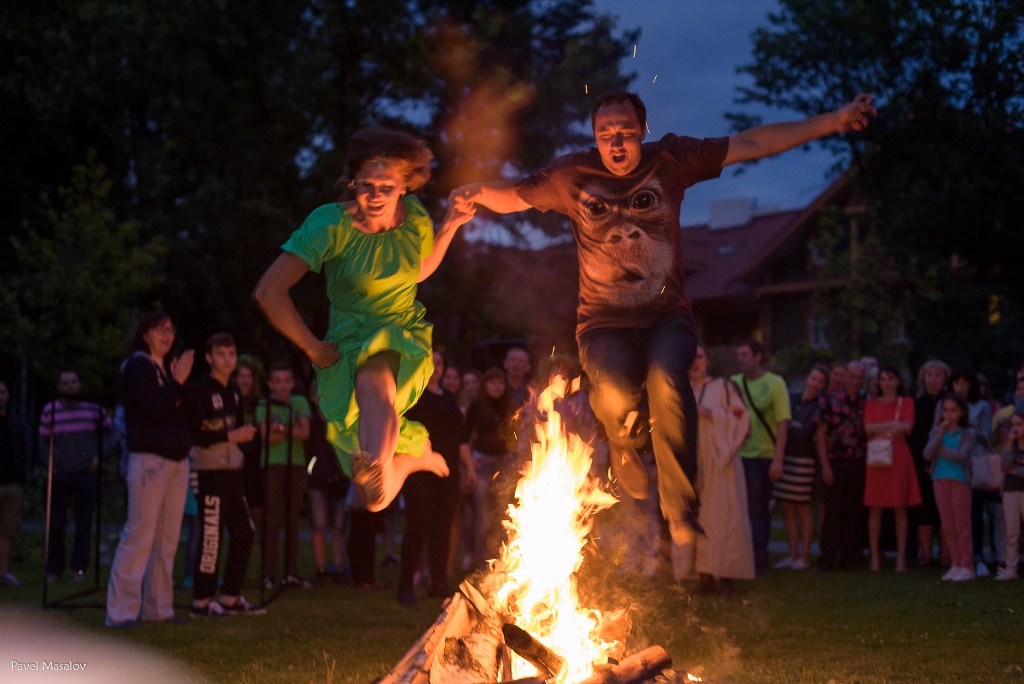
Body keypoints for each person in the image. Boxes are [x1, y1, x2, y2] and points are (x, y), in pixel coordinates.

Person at [454, 89, 876, 544]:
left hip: (666, 318)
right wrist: (475, 193)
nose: (616, 144)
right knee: (614, 387)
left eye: (625, 132)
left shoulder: (671, 160)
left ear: (643, 130)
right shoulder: (572, 175)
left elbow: (751, 143)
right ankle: (623, 444)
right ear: (594, 137)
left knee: (666, 378)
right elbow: (516, 195)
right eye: (605, 135)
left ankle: (679, 507)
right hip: (603, 323)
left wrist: (834, 120)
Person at [254, 127, 473, 511]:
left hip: (400, 334)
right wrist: (312, 348)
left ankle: (378, 461)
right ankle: (411, 460)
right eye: (365, 185)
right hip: (347, 344)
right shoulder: (331, 225)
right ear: (352, 181)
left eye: (387, 187)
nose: (375, 196)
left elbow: (418, 269)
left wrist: (451, 225)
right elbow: (268, 292)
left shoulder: (415, 218)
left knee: (376, 378)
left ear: (404, 186)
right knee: (375, 500)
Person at [106, 311, 194, 627]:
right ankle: (120, 612)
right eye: (159, 329)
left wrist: (178, 381)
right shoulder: (138, 366)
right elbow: (155, 408)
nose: (167, 335)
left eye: (171, 329)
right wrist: (177, 381)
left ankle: (158, 608)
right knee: (139, 535)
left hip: (175, 461)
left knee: (166, 540)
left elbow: (184, 411)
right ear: (145, 335)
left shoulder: (165, 370)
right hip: (150, 461)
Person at [182, 333, 264, 616]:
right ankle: (202, 601)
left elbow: (237, 430)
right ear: (209, 358)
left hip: (231, 469)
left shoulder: (234, 391)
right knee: (211, 535)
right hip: (208, 469)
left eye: (231, 354)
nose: (227, 360)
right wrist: (231, 435)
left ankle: (230, 595)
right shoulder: (200, 389)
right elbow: (195, 434)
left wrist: (245, 437)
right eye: (221, 354)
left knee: (245, 532)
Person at [398, 351, 473, 605]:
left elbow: (460, 436)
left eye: (439, 363)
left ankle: (438, 583)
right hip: (420, 472)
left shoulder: (449, 397)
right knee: (418, 527)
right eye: (431, 362)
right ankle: (406, 584)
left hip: (448, 473)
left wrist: (469, 468)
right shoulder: (414, 397)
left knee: (442, 527)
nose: (436, 367)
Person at [689, 345, 753, 595]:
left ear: (708, 360)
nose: (694, 362)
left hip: (720, 460)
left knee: (725, 516)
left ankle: (726, 574)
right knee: (697, 517)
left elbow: (741, 416)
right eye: (690, 357)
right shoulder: (680, 389)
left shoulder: (722, 387)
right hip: (693, 461)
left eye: (699, 356)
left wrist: (710, 413)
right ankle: (703, 574)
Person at [39, 370, 111, 583]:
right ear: (59, 386)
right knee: (56, 524)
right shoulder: (50, 410)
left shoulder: (93, 409)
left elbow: (113, 433)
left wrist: (99, 456)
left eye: (73, 382)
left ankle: (78, 570)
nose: (70, 386)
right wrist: (50, 464)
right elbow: (42, 441)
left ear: (79, 385)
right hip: (60, 474)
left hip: (85, 473)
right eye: (65, 383)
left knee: (83, 525)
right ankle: (54, 570)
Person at [731, 340, 790, 576]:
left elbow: (783, 422)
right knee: (738, 510)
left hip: (763, 456)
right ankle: (742, 557)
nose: (739, 358)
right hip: (737, 455)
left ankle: (760, 559)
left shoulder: (775, 383)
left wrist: (778, 459)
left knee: (758, 509)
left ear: (758, 357)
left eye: (744, 354)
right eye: (738, 354)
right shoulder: (733, 383)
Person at [256, 363, 311, 589]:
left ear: (292, 383)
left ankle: (291, 573)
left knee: (292, 519)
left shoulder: (299, 402)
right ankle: (269, 573)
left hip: (296, 465)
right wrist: (291, 429)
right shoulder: (264, 404)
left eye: (286, 381)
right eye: (277, 381)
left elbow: (305, 433)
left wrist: (280, 429)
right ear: (270, 384)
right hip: (272, 465)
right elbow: (266, 437)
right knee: (272, 520)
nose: (282, 386)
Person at [863, 366, 920, 572]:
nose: (887, 383)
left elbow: (907, 428)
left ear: (897, 381)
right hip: (877, 458)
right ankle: (874, 558)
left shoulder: (907, 402)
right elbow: (868, 429)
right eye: (883, 379)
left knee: (900, 507)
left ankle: (901, 558)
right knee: (875, 507)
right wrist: (892, 429)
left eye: (890, 378)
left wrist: (882, 430)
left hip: (899, 457)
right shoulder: (870, 403)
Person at [772, 364, 828, 571]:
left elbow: (806, 431)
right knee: (787, 507)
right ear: (807, 379)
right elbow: (783, 423)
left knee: (803, 508)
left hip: (804, 460)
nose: (815, 384)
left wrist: (795, 427)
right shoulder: (792, 398)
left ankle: (804, 557)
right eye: (813, 378)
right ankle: (792, 555)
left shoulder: (820, 405)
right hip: (786, 457)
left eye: (820, 381)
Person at [950, 365, 1002, 577]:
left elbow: (987, 436)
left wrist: (966, 423)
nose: (960, 387)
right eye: (957, 383)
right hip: (955, 464)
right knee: (963, 514)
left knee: (979, 511)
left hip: (977, 465)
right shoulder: (948, 406)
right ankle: (964, 557)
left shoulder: (981, 406)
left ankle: (983, 556)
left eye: (965, 383)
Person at [462, 367, 515, 569]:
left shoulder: (510, 407)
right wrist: (470, 464)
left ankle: (500, 560)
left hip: (504, 464)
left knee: (502, 515)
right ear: (485, 385)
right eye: (492, 382)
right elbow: (464, 437)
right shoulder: (476, 407)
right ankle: (481, 563)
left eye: (500, 382)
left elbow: (516, 436)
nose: (496, 386)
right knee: (483, 516)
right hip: (482, 464)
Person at [817, 361, 867, 571]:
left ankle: (849, 558)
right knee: (832, 513)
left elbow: (874, 432)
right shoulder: (830, 400)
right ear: (845, 377)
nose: (855, 381)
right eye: (852, 376)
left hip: (858, 462)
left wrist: (891, 434)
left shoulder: (865, 403)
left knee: (853, 513)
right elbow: (820, 434)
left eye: (859, 377)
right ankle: (827, 559)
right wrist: (825, 466)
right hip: (835, 461)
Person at [924, 393, 977, 581]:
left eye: (953, 410)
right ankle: (956, 564)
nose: (948, 414)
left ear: (962, 412)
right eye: (945, 410)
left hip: (959, 480)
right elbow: (927, 454)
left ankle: (967, 566)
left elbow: (961, 456)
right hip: (939, 479)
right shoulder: (937, 431)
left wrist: (939, 449)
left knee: (962, 525)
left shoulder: (968, 433)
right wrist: (938, 437)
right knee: (947, 525)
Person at [306, 379, 350, 586]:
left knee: (339, 526)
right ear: (312, 397)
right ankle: (321, 567)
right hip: (317, 480)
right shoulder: (310, 422)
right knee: (319, 524)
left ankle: (339, 565)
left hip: (339, 479)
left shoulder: (340, 420)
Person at [908, 360, 949, 566]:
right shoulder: (914, 403)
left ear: (944, 379)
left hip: (945, 461)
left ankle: (946, 555)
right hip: (920, 462)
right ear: (923, 378)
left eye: (938, 375)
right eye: (929, 375)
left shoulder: (950, 403)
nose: (933, 379)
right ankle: (925, 554)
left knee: (944, 509)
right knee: (923, 509)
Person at [0, 379, 28, 587]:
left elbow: (23, 451)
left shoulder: (15, 422)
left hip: (13, 484)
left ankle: (3, 572)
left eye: (2, 392)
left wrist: (21, 480)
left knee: (7, 530)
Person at [234, 355, 266, 528]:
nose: (245, 380)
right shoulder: (230, 401)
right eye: (241, 376)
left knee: (256, 505)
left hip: (254, 463)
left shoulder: (261, 404)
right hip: (233, 459)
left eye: (249, 376)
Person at [997, 408, 1024, 580]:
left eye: (1019, 425)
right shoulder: (1011, 446)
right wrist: (1008, 444)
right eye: (1013, 425)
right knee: (1012, 532)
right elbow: (1004, 466)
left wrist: (1015, 471)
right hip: (1010, 490)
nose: (1015, 429)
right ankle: (1011, 568)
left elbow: (1013, 470)